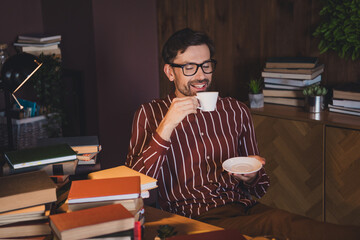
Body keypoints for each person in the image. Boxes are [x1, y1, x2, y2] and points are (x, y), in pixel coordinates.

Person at [126, 28, 360, 240]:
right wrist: (166, 126)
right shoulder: (150, 114)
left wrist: (251, 176)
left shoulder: (235, 110)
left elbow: (258, 187)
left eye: (206, 65)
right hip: (192, 219)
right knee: (284, 224)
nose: (201, 75)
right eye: (189, 67)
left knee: (290, 224)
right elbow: (133, 186)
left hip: (244, 209)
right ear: (170, 72)